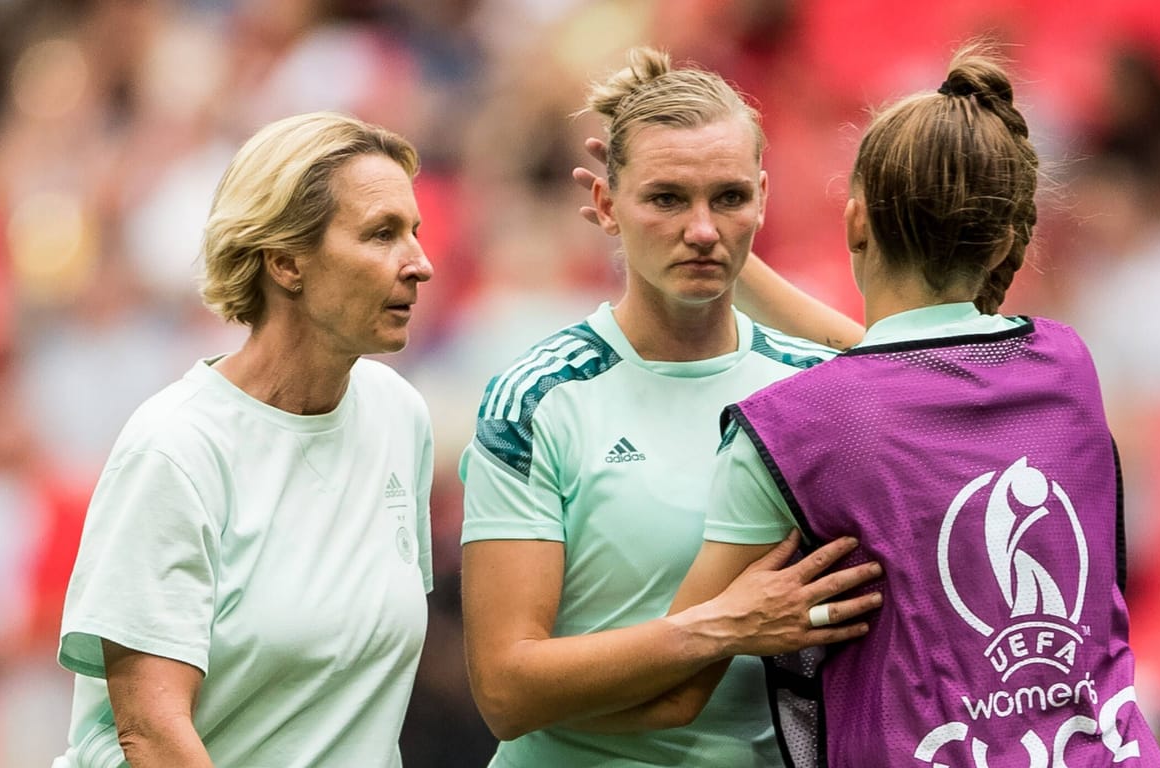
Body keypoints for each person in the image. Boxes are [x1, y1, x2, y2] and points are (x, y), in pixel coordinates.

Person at [605, 44, 1160, 766]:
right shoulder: (1067, 366)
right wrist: (718, 246)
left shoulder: (790, 430)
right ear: (1004, 237)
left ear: (855, 222)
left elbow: (671, 696)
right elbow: (899, 368)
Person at [459, 47, 884, 767]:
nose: (701, 230)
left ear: (763, 199)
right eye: (665, 199)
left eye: (728, 198)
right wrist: (723, 627)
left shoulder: (814, 388)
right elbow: (505, 691)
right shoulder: (536, 397)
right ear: (603, 206)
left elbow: (913, 370)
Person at [51, 112, 436, 767]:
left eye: (414, 232)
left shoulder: (401, 416)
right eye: (381, 235)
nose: (420, 264)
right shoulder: (174, 449)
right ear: (285, 261)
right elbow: (149, 731)